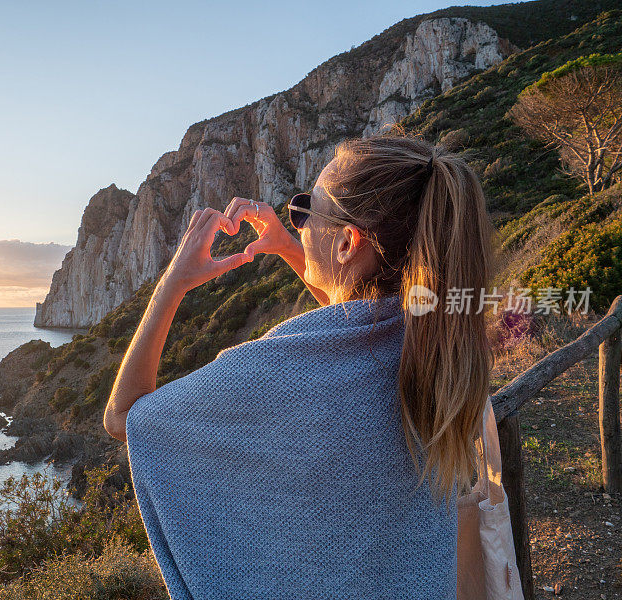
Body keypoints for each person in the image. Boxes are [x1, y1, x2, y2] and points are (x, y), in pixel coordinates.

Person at [103, 128, 496, 599]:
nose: (299, 221)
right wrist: (291, 246)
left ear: (349, 243)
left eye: (307, 210)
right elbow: (352, 324)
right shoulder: (435, 337)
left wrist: (173, 282)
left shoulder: (271, 369)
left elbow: (126, 417)